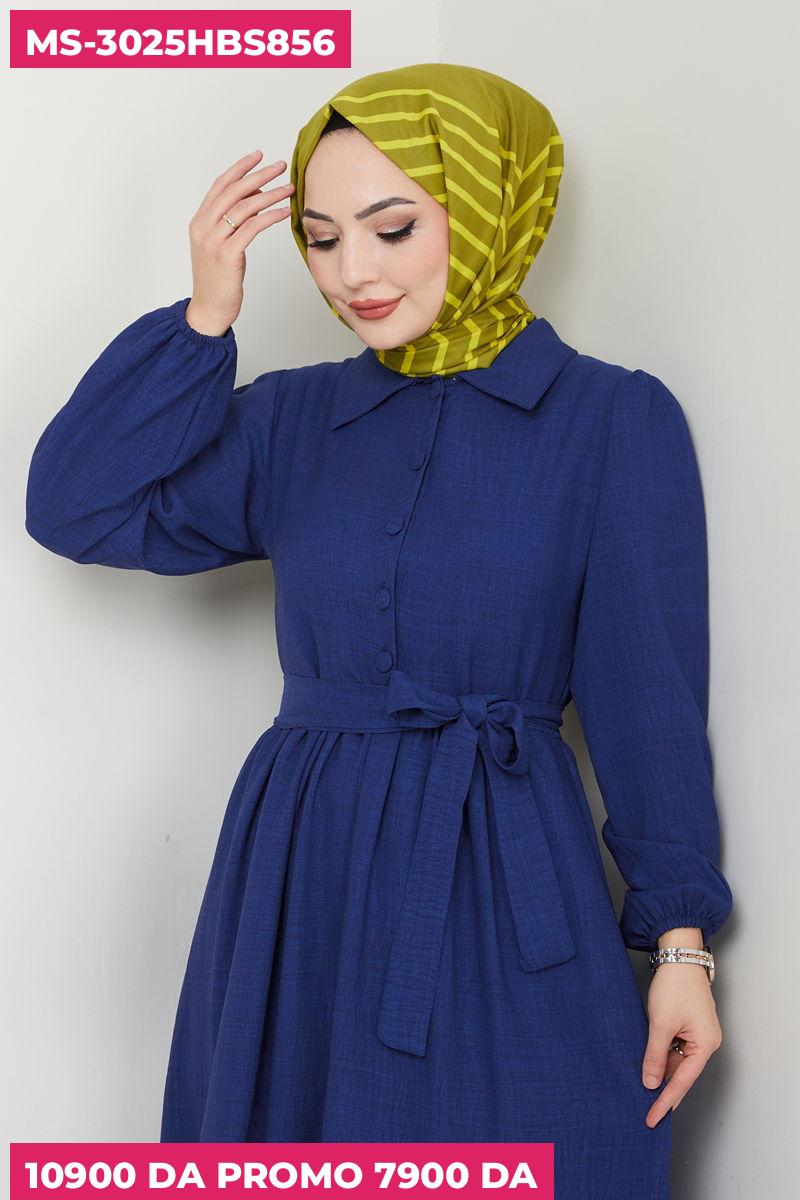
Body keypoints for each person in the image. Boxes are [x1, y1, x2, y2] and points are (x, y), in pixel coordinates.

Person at [25, 62, 733, 1194]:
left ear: (491, 208)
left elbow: (647, 698)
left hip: (505, 867)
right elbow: (76, 505)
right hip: (303, 866)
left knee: (552, 1141)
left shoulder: (609, 418)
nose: (351, 272)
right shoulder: (293, 419)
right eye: (319, 238)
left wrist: (682, 945)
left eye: (392, 228)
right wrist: (204, 318)